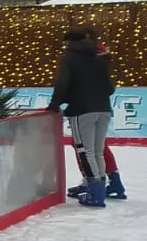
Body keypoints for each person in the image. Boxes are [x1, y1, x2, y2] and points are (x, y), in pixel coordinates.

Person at [48, 27, 116, 207]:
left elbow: (62, 84)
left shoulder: (68, 58)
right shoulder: (98, 58)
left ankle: (96, 194)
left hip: (81, 110)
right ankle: (100, 187)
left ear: (68, 42)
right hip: (104, 109)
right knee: (97, 150)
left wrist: (54, 105)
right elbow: (110, 88)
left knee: (85, 151)